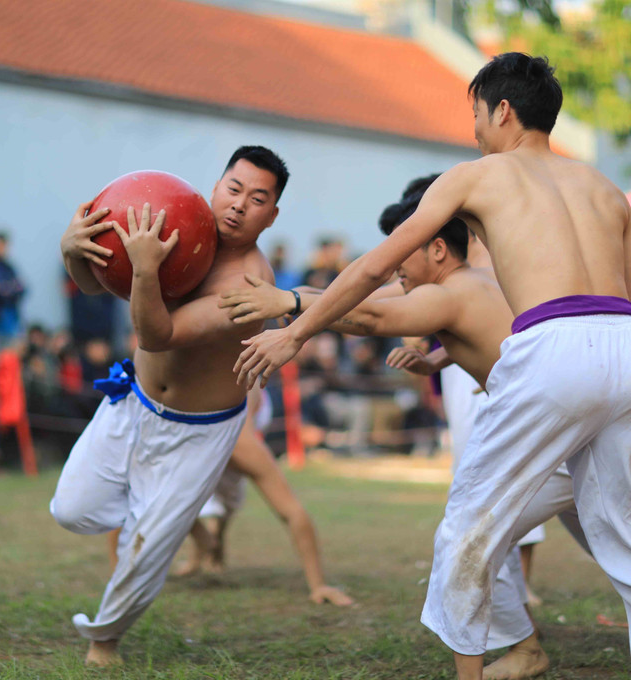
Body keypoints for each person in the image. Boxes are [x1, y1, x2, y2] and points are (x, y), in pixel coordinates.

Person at [234, 53, 631, 680]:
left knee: (469, 525)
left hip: (553, 349)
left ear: (502, 111)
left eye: (475, 114)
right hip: (623, 346)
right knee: (624, 528)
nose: (473, 129)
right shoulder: (606, 188)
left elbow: (371, 269)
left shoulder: (477, 176)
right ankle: (518, 648)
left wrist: (296, 333)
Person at [51, 146, 288, 666]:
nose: (238, 205)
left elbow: (159, 335)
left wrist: (143, 270)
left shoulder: (251, 284)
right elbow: (94, 281)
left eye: (257, 199)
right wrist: (71, 249)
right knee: (70, 508)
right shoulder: (176, 221)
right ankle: (150, 513)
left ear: (271, 216)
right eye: (233, 188)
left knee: (146, 550)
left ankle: (105, 640)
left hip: (197, 431)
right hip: (132, 400)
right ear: (216, 185)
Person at [173, 387, 354, 606]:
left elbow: (292, 512)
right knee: (179, 498)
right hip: (203, 424)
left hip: (234, 422)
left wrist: (319, 585)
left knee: (221, 501)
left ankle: (213, 542)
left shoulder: (242, 441)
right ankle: (205, 546)